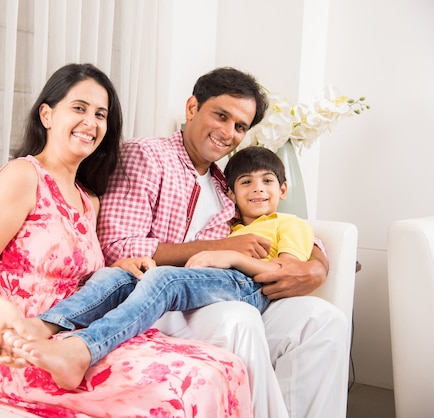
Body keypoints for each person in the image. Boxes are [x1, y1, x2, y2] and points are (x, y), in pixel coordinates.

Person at [0, 63, 253, 417]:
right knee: (189, 384)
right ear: (47, 114)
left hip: (76, 330)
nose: (90, 123)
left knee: (225, 366)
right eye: (79, 108)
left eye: (100, 114)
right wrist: (3, 311)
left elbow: (79, 283)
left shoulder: (87, 199)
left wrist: (119, 266)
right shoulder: (23, 176)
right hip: (20, 346)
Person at [94, 67, 350, 418]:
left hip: (218, 298)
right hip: (158, 303)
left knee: (324, 320)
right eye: (221, 115)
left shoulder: (224, 183)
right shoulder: (146, 156)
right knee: (238, 319)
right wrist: (220, 251)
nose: (229, 132)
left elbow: (282, 227)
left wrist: (315, 267)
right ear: (191, 108)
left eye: (240, 126)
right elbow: (117, 245)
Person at [2, 146, 315, 393]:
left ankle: (83, 350)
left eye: (267, 181)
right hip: (216, 281)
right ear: (230, 195)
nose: (257, 189)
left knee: (165, 279)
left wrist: (230, 256)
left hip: (250, 285)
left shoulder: (289, 223)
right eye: (246, 182)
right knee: (119, 275)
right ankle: (45, 324)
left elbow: (282, 270)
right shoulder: (226, 222)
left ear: (283, 189)